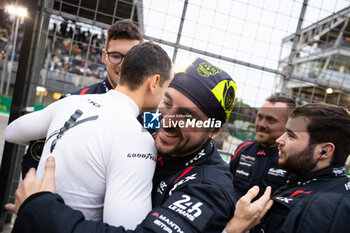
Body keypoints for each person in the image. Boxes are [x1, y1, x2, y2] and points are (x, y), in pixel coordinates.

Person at [6, 58, 273, 233]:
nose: (169, 120)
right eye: (167, 103)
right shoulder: (149, 126)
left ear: (214, 130)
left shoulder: (209, 187)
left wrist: (40, 207)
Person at [5, 42, 173, 229]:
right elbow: (127, 229)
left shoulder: (71, 102)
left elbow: (12, 132)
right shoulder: (139, 140)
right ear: (155, 82)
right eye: (167, 87)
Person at [21, 18, 144, 177]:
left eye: (130, 58)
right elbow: (34, 157)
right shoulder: (73, 100)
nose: (123, 65)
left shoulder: (151, 113)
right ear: (104, 56)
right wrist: (36, 198)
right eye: (115, 56)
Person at [249, 103, 350, 232]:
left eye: (291, 135)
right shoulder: (334, 188)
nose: (279, 140)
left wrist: (238, 225)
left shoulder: (313, 209)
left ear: (324, 150)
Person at [229, 95, 296, 198]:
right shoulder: (243, 149)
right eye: (260, 117)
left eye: (271, 120)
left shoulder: (292, 160)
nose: (261, 124)